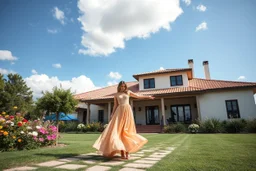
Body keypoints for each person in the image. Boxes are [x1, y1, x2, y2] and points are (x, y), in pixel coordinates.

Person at [93, 81, 155, 159]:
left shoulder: (128, 92)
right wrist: (112, 114)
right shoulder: (116, 95)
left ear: (125, 86)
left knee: (127, 131)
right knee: (119, 132)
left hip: (128, 112)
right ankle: (122, 153)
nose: (122, 87)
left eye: (124, 86)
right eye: (121, 86)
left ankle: (127, 153)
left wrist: (147, 97)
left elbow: (138, 96)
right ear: (119, 87)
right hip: (119, 113)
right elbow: (115, 105)